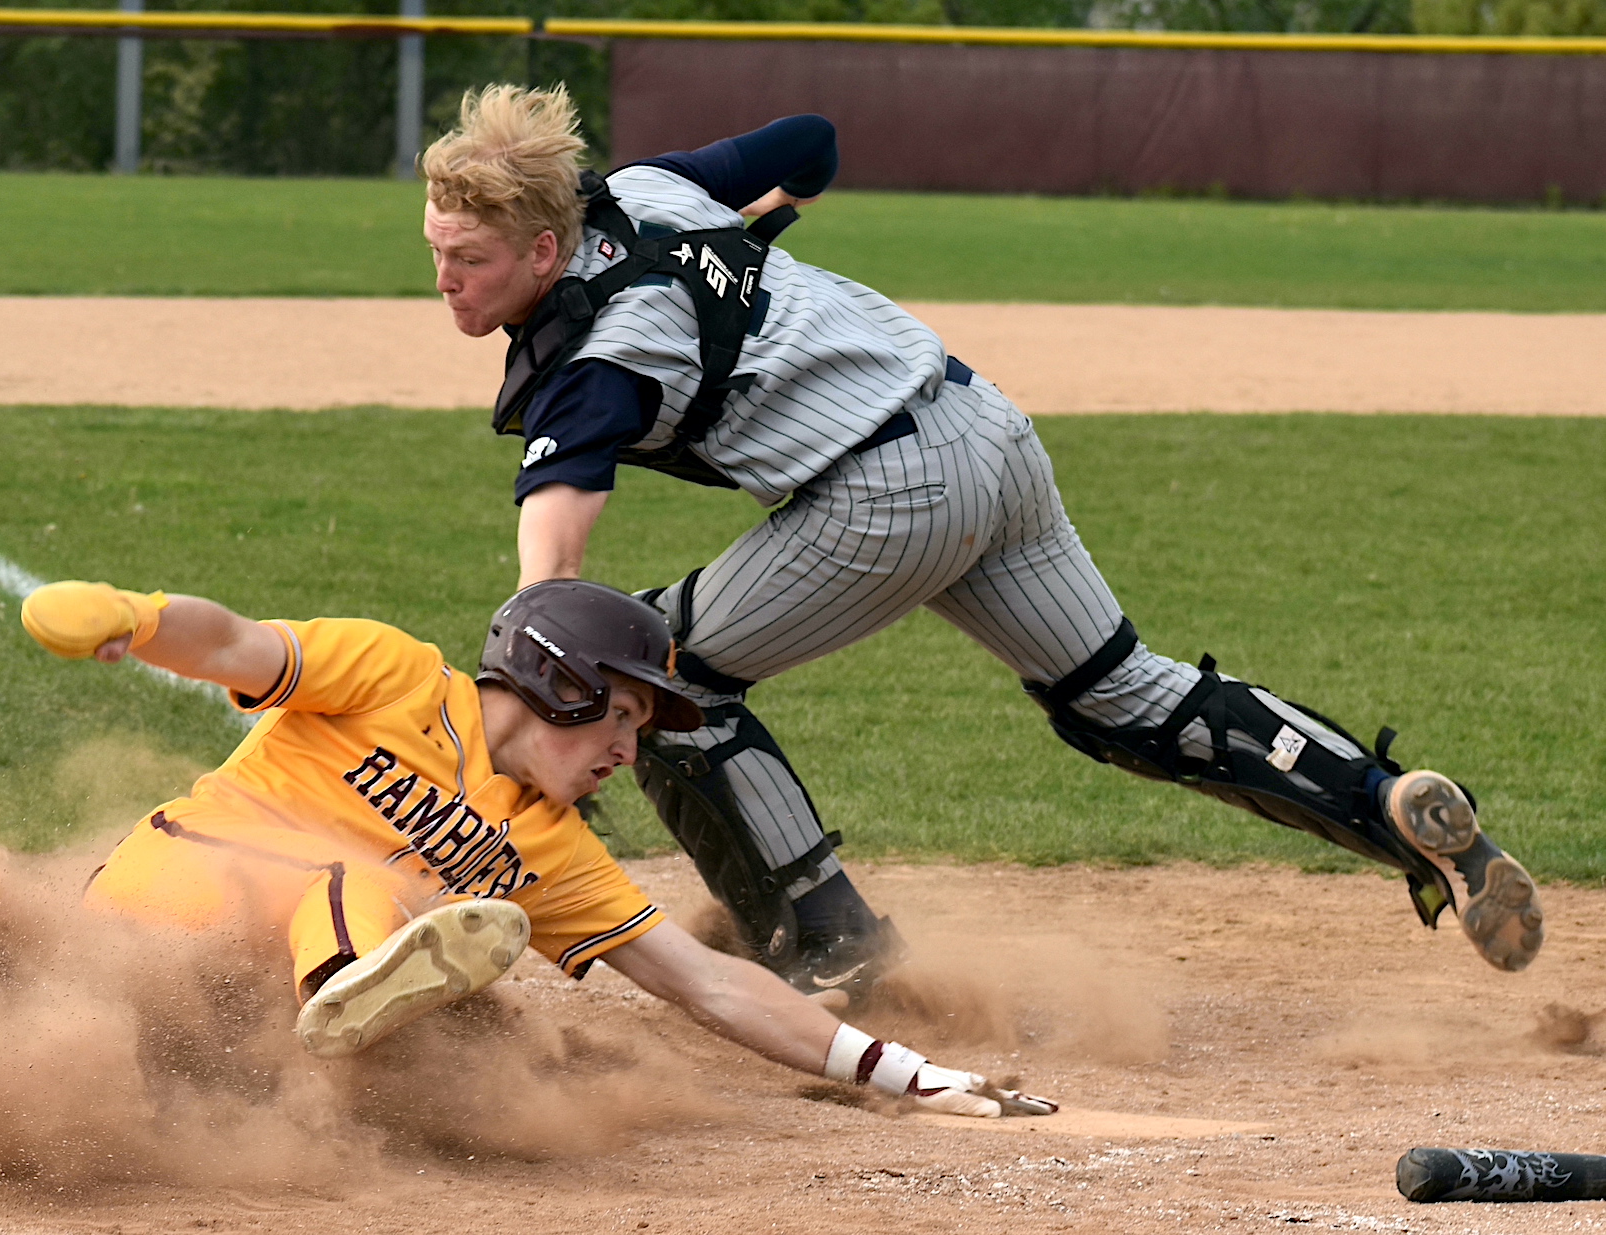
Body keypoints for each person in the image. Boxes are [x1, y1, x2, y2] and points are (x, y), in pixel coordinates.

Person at [417, 84, 1544, 1001]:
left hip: (883, 490)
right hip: (984, 428)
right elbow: (810, 138)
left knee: (661, 676)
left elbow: (554, 577)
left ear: (548, 248)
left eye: (467, 258)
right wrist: (760, 227)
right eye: (435, 251)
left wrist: (536, 706)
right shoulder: (652, 187)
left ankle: (830, 952)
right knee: (1122, 694)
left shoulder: (604, 354)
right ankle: (1389, 802)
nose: (444, 281)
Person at [16, 577, 1058, 1119]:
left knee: (412, 927)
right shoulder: (394, 677)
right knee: (360, 879)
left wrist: (902, 1072)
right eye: (618, 714)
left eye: (639, 731)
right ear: (554, 676)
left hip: (225, 1002)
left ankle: (345, 1015)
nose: (626, 747)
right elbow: (235, 642)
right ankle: (356, 990)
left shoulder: (546, 849)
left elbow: (704, 982)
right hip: (163, 895)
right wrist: (140, 619)